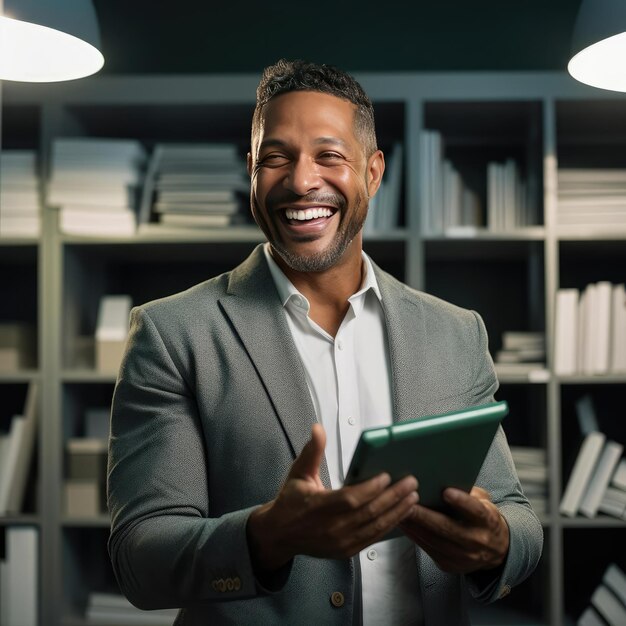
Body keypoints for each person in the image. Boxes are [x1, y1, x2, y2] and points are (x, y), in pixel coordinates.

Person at [107, 59, 543, 625]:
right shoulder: (173, 334)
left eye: (329, 156)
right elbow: (140, 558)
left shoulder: (457, 334)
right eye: (275, 158)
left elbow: (519, 519)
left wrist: (497, 544)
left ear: (373, 172)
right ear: (252, 172)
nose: (300, 180)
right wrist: (267, 536)